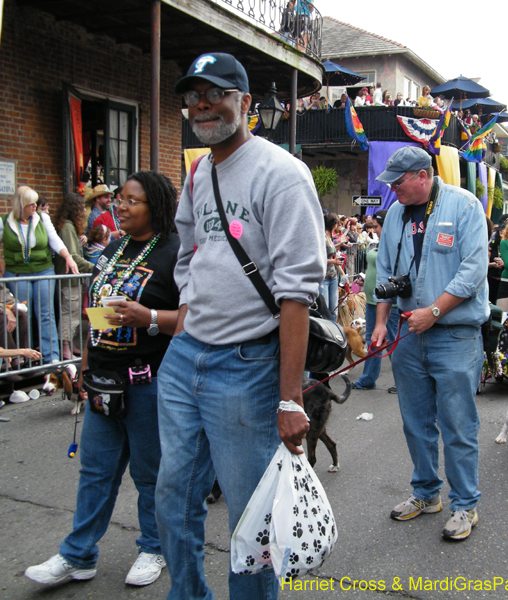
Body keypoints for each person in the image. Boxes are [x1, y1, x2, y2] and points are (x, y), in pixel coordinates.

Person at [157, 52, 324, 600]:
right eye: (194, 95)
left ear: (245, 103)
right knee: (173, 495)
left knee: (251, 520)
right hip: (186, 360)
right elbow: (189, 248)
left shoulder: (283, 174)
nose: (202, 104)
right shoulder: (200, 170)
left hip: (247, 366)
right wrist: (185, 314)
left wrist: (290, 398)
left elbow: (296, 292)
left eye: (217, 94)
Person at [25, 171, 181, 587]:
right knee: (95, 471)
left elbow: (194, 320)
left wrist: (147, 317)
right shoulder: (112, 249)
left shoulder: (174, 253)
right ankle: (78, 555)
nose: (122, 206)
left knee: (150, 474)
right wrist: (85, 367)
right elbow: (97, 316)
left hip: (149, 383)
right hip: (103, 380)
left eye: (133, 200)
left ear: (157, 206)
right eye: (120, 198)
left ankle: (153, 548)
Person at [372, 146, 489, 541]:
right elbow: (386, 271)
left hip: (454, 334)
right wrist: (381, 323)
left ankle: (465, 506)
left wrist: (434, 311)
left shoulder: (465, 206)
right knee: (415, 423)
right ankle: (426, 494)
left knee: (458, 424)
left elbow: (473, 272)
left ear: (423, 175)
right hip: (408, 334)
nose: (393, 190)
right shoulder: (394, 216)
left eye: (399, 182)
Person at [0, 186, 79, 363]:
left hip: (44, 269)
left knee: (46, 312)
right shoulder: (3, 222)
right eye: (31, 204)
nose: (35, 206)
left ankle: (51, 355)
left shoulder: (43, 218)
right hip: (17, 273)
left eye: (36, 203)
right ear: (21, 205)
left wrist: (67, 256)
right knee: (24, 314)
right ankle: (26, 355)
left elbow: (54, 239)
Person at [352, 210, 399, 391]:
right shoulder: (380, 243)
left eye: (376, 226)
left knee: (393, 343)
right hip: (372, 300)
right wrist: (365, 278)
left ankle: (402, 381)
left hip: (390, 303)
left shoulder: (397, 245)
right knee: (373, 340)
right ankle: (368, 379)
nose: (374, 230)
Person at [53, 194, 95, 360]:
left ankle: (70, 344)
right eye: (82, 207)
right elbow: (73, 256)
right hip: (68, 279)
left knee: (74, 313)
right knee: (68, 312)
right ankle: (65, 346)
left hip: (73, 278)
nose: (84, 211)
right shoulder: (67, 228)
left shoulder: (69, 228)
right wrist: (95, 267)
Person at [321, 213, 341, 321]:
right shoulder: (323, 237)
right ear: (334, 224)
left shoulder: (330, 236)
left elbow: (331, 254)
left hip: (333, 276)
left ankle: (334, 335)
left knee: (334, 311)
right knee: (325, 312)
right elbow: (319, 258)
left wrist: (342, 273)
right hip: (324, 278)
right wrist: (333, 261)